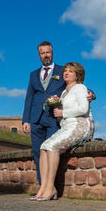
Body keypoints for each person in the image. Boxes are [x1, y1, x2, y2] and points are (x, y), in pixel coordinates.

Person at [22, 41, 94, 191]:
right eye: (43, 53)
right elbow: (29, 97)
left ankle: (52, 186)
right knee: (38, 151)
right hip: (36, 118)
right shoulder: (33, 74)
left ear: (52, 53)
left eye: (48, 52)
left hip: (54, 117)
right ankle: (43, 185)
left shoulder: (63, 71)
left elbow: (78, 85)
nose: (46, 55)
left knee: (53, 148)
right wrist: (26, 120)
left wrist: (92, 94)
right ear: (39, 55)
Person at [34, 62, 94, 201]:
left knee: (52, 146)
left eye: (71, 71)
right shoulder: (64, 92)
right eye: (65, 71)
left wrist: (63, 112)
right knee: (43, 147)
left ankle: (50, 188)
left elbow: (83, 109)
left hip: (80, 125)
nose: (66, 73)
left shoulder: (80, 88)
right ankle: (44, 187)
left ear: (77, 75)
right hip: (67, 126)